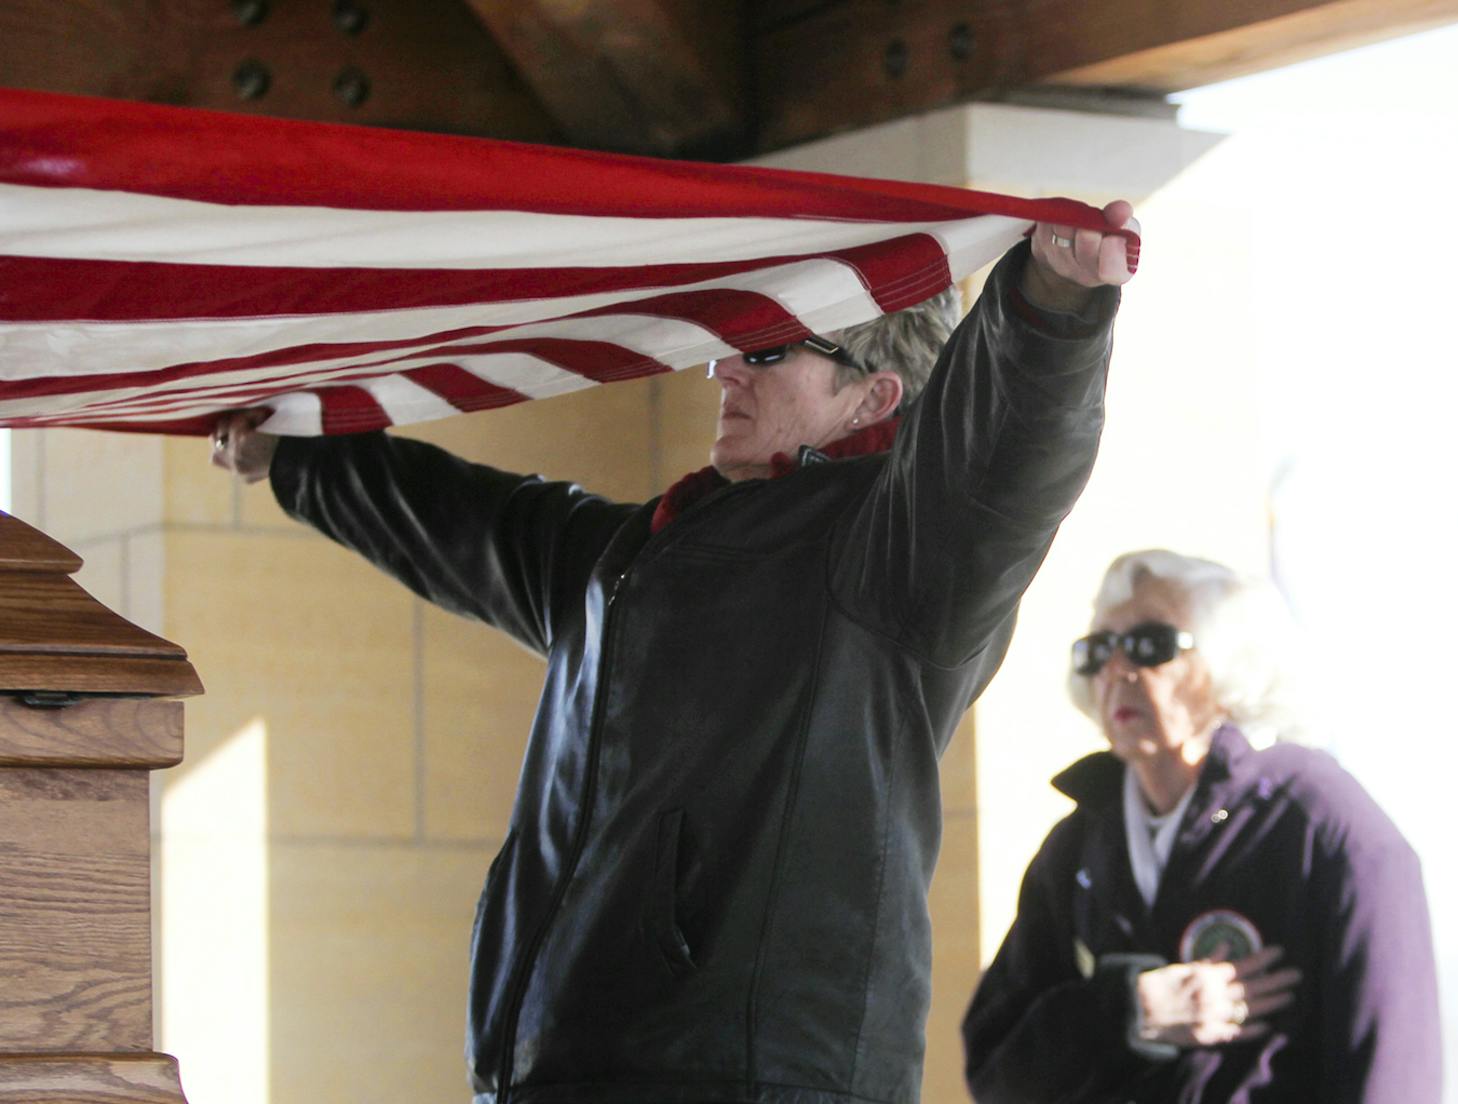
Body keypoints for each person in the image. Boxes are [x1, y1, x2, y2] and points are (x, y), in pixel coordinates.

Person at [210, 209, 1138, 1104]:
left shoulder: (900, 557)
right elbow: (464, 526)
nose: (723, 367)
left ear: (874, 393)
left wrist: (1051, 309)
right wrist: (298, 458)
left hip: (754, 1080)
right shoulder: (633, 552)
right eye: (736, 343)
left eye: (770, 350)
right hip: (554, 1070)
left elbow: (1007, 457)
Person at [962, 549, 1442, 1102]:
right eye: (1097, 651)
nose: (1117, 669)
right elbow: (996, 1073)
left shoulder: (1324, 824)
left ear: (1229, 664)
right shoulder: (1077, 846)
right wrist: (1133, 1010)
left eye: (1150, 645)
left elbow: (1392, 1076)